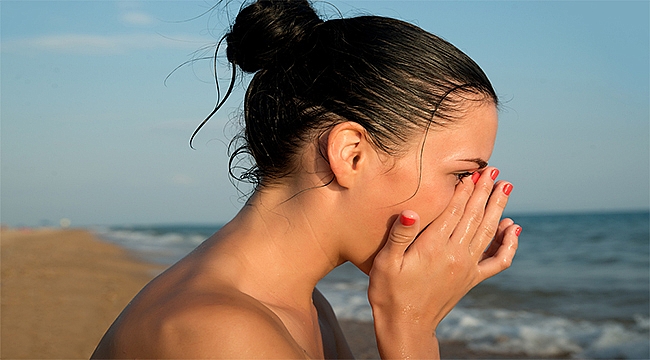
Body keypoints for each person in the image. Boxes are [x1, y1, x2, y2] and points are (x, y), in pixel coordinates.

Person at [92, 0, 520, 358]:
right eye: (462, 174)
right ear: (351, 154)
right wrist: (410, 329)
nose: (472, 199)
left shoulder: (304, 306)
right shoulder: (219, 334)